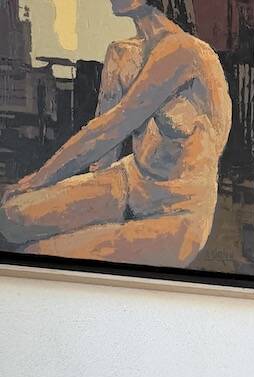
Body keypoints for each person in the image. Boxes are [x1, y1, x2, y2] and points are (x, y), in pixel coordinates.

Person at [0, 0, 231, 267]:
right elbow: (104, 153)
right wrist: (82, 203)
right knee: (9, 217)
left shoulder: (185, 51)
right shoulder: (122, 53)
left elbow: (107, 130)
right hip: (130, 182)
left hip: (177, 213)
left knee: (37, 253)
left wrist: (36, 181)